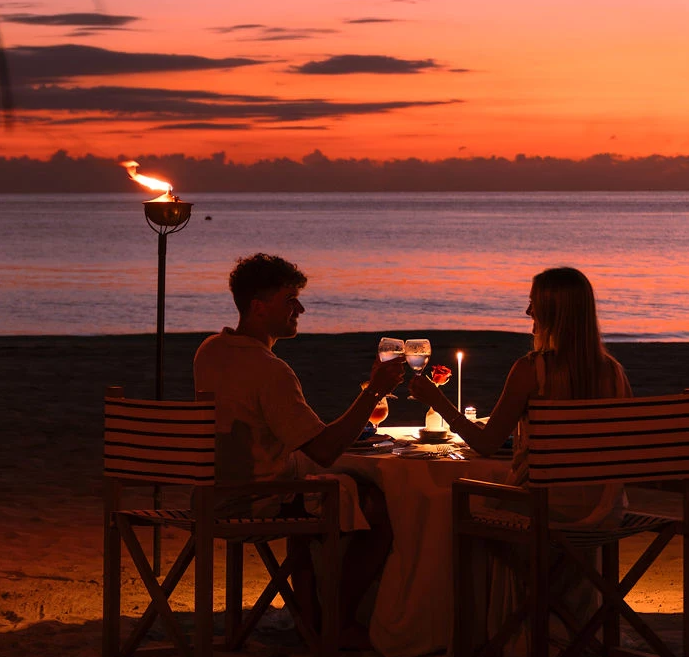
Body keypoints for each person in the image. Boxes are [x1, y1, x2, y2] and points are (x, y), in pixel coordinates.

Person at [193, 253, 404, 637]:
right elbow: (323, 450)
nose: (301, 309)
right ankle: (338, 622)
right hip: (253, 498)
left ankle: (309, 617)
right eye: (290, 300)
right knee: (372, 504)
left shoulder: (209, 350)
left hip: (209, 496)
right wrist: (374, 390)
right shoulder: (270, 369)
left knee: (325, 489)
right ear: (258, 307)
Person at [404, 265, 632, 525]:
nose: (528, 311)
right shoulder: (614, 374)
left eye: (533, 303)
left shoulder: (532, 370)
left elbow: (487, 444)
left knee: (446, 504)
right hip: (606, 513)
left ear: (553, 312)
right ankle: (569, 566)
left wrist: (438, 402)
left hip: (539, 511)